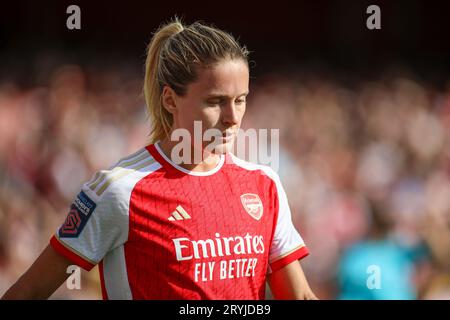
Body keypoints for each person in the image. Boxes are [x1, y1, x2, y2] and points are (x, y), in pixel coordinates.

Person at [2, 18, 317, 300]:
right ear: (170, 99)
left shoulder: (264, 185)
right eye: (215, 101)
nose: (232, 117)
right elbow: (29, 291)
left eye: (240, 100)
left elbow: (299, 295)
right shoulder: (120, 190)